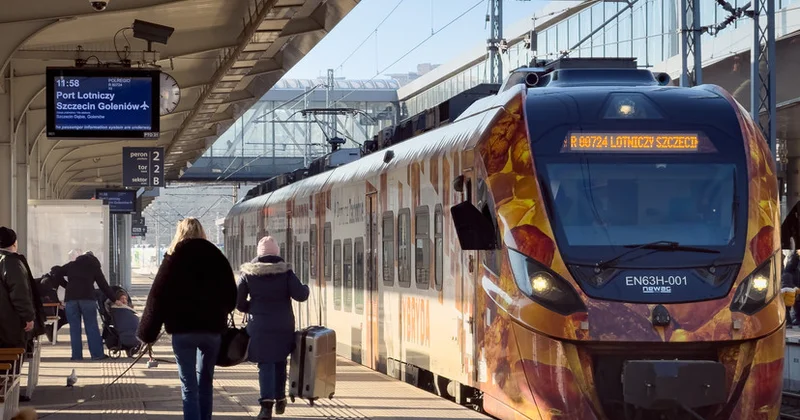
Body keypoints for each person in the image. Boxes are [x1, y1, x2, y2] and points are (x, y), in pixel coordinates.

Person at [137, 218, 237, 420]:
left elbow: (157, 297)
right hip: (211, 331)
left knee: (188, 386)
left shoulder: (173, 257)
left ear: (179, 233)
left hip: (183, 332)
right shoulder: (216, 256)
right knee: (206, 382)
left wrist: (148, 333)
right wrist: (219, 311)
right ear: (202, 232)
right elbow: (232, 295)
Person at [237, 236, 309, 419]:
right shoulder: (286, 273)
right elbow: (301, 295)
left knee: (265, 363)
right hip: (283, 326)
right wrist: (306, 288)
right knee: (280, 361)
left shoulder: (248, 273)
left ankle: (266, 406)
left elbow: (238, 301)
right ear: (277, 252)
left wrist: (251, 308)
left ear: (258, 253)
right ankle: (280, 398)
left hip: (259, 326)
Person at [50, 250, 120, 360]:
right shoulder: (94, 267)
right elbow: (103, 285)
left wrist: (67, 286)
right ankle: (97, 355)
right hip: (87, 299)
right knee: (91, 327)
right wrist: (114, 299)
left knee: (74, 328)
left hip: (71, 299)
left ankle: (76, 356)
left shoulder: (72, 265)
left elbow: (55, 271)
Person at [0, 227, 35, 351]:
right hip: (9, 325)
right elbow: (19, 292)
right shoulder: (12, 262)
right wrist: (28, 317)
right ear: (14, 243)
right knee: (12, 360)